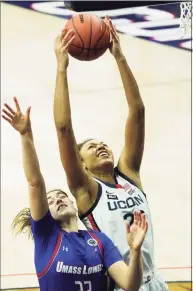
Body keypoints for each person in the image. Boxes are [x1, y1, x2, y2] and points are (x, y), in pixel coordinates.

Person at [53, 17, 168, 291]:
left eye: (103, 143)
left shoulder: (129, 174)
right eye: (91, 147)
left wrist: (119, 57)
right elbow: (64, 129)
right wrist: (61, 68)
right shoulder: (86, 190)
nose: (101, 146)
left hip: (156, 282)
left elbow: (138, 112)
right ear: (82, 164)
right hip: (121, 285)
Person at [2, 97, 148, 291]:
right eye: (50, 201)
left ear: (73, 204)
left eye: (61, 196)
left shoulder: (99, 240)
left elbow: (130, 285)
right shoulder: (47, 237)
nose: (58, 199)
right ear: (46, 214)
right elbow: (35, 183)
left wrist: (135, 250)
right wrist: (25, 135)